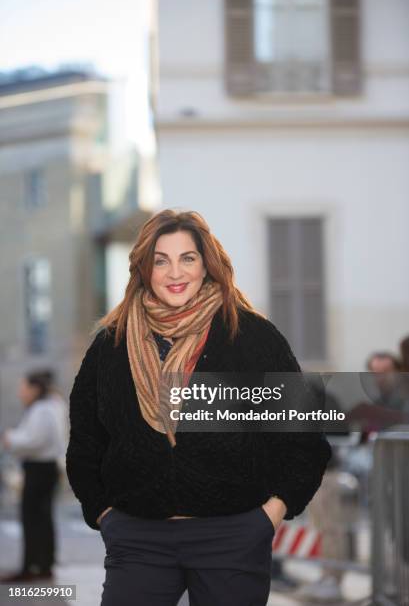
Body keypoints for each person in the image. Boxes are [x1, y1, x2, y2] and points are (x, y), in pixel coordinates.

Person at [65, 209, 332, 606]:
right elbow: (86, 440)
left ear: (206, 264)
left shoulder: (252, 336)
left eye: (187, 258)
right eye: (161, 260)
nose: (176, 272)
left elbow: (304, 438)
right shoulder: (111, 346)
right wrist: (104, 513)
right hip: (138, 539)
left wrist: (269, 515)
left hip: (232, 537)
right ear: (144, 269)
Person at [0, 370, 65, 583]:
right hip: (45, 468)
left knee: (33, 518)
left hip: (40, 468)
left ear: (35, 388)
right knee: (42, 519)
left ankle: (32, 567)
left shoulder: (43, 409)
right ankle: (43, 565)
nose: (21, 393)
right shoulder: (51, 406)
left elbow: (36, 440)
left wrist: (12, 439)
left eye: (24, 388)